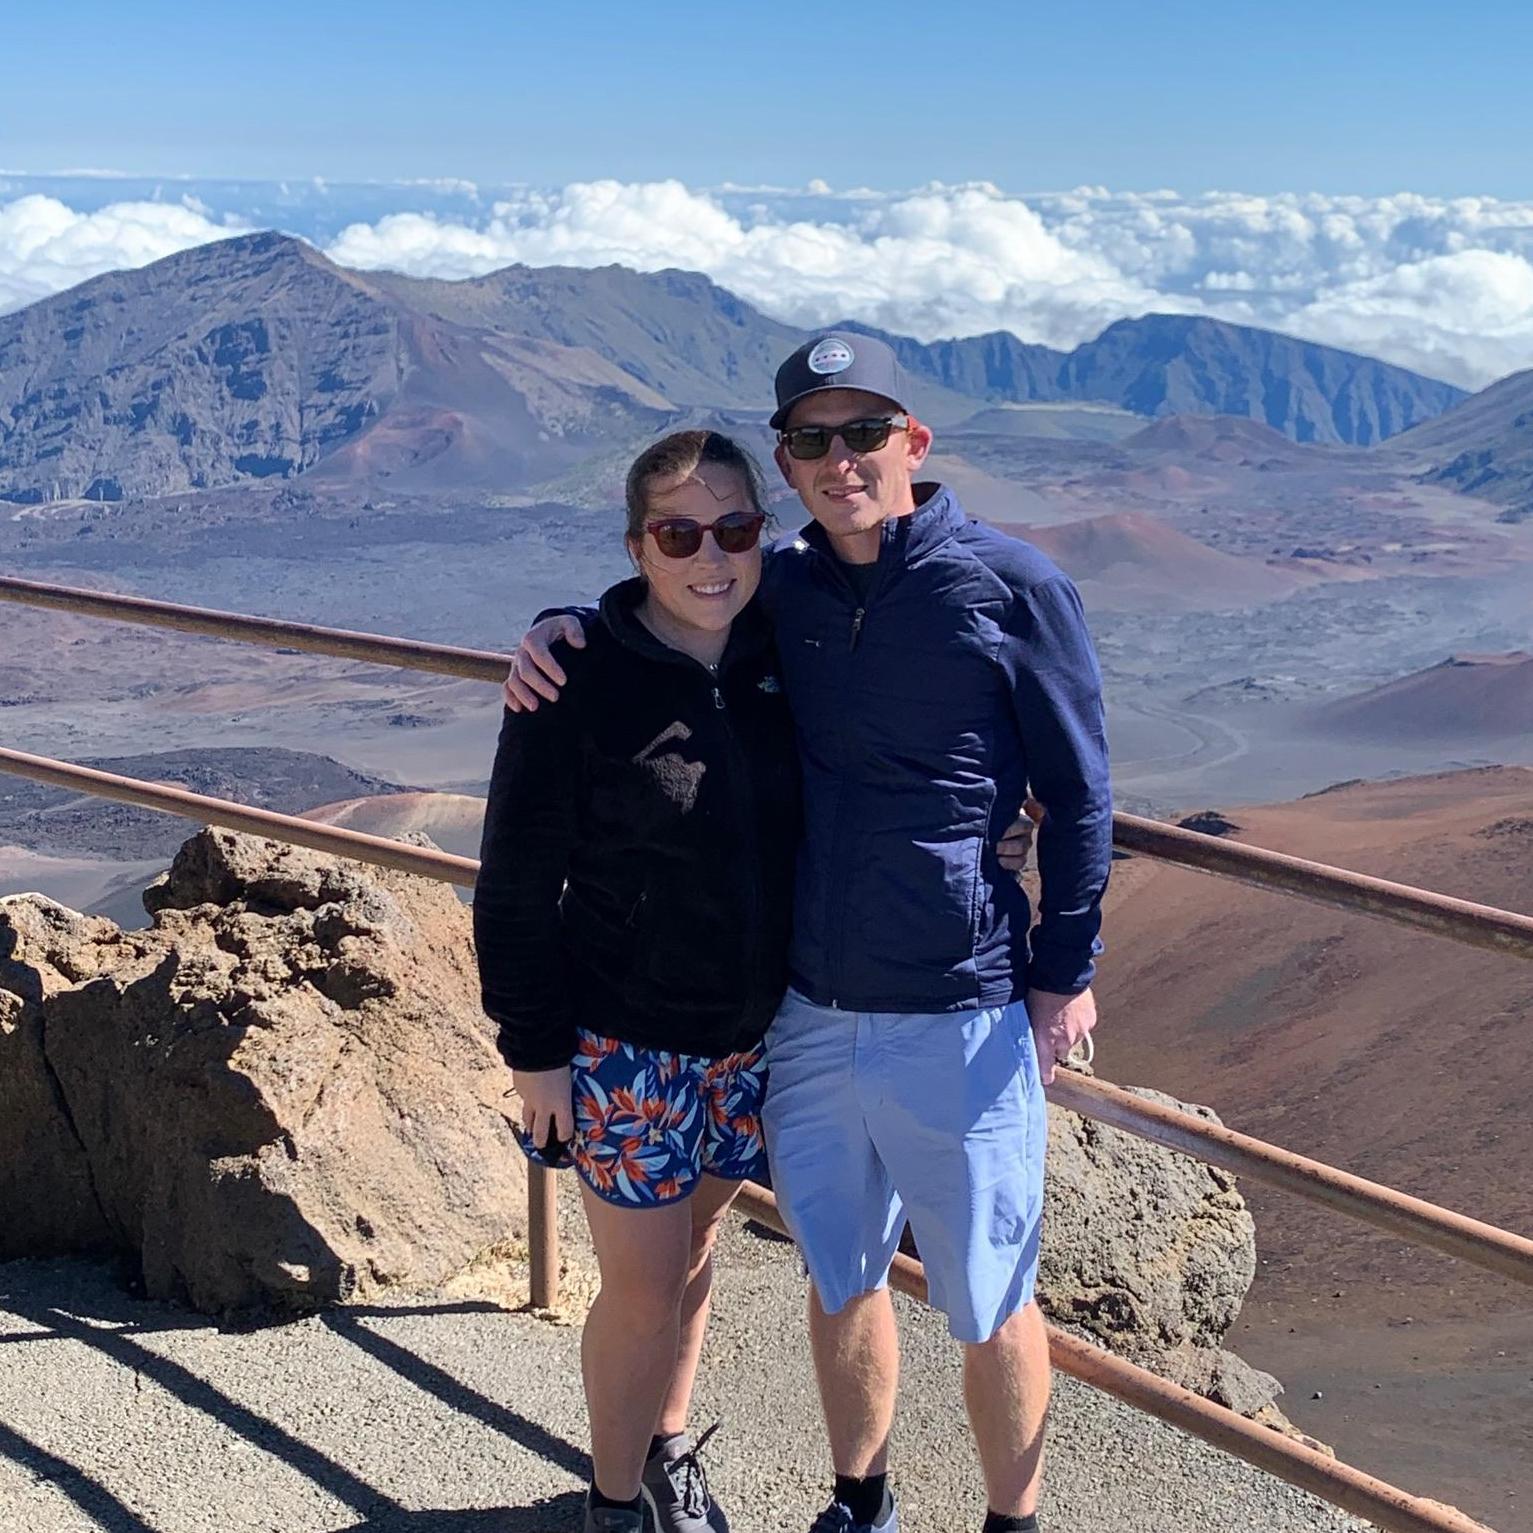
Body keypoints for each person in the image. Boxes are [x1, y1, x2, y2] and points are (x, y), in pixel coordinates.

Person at [505, 332, 1111, 1533]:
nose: (841, 460)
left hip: (960, 1003)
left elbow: (1083, 793)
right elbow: (659, 606)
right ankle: (857, 1503)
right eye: (813, 440)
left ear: (914, 444)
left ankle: (1015, 1522)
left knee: (991, 1296)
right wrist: (556, 626)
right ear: (788, 462)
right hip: (810, 1015)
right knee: (841, 1277)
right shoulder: (780, 583)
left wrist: (1063, 973)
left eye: (864, 433)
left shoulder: (1011, 583)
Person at [474, 429, 799, 1533]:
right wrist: (536, 1054)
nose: (712, 556)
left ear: (767, 535)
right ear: (636, 546)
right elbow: (516, 879)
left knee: (694, 1252)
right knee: (644, 1283)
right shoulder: (578, 678)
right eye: (679, 533)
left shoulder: (786, 651)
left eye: (737, 528)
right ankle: (616, 1508)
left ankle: (665, 1450)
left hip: (755, 1040)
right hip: (625, 1044)